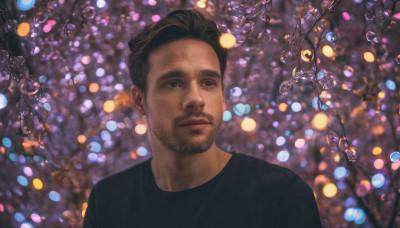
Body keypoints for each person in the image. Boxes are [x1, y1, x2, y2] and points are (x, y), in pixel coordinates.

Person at [83, 9, 322, 228]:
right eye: (173, 83)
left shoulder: (281, 197)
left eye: (208, 82)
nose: (195, 99)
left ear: (222, 95)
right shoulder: (108, 202)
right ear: (139, 101)